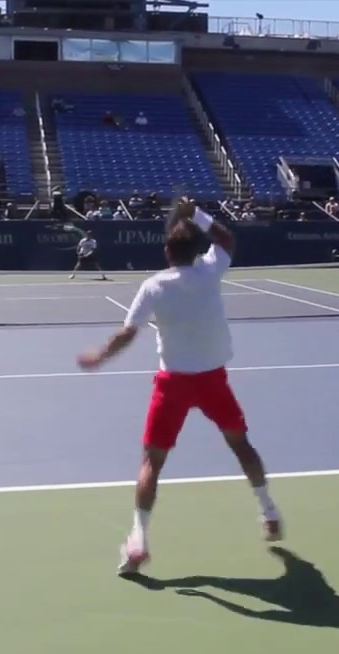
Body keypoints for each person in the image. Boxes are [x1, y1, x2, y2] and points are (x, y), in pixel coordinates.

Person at [76, 199, 282, 575]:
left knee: (151, 463)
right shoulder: (211, 269)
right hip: (213, 381)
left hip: (173, 385)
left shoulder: (154, 286)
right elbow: (227, 238)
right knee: (241, 445)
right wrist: (196, 213)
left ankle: (138, 541)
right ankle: (268, 511)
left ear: (168, 250)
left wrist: (101, 357)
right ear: (197, 248)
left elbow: (127, 333)